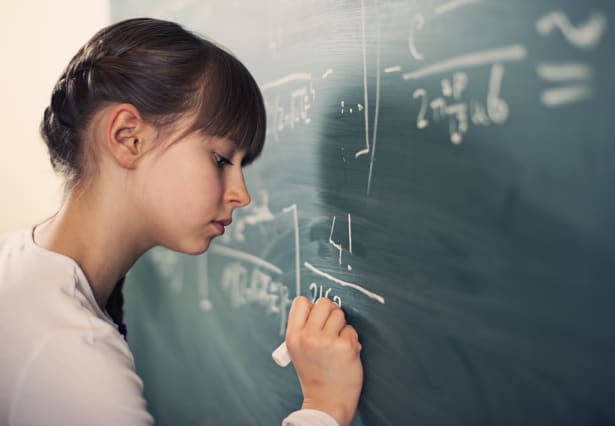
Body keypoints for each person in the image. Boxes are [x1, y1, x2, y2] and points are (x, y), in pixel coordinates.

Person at [0, 18, 363, 426]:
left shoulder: (15, 263)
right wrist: (325, 407)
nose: (242, 195)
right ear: (127, 138)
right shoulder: (73, 360)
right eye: (221, 159)